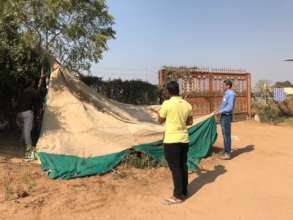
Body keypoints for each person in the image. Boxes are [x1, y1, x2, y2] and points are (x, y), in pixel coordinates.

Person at [157, 81, 193, 205]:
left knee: (175, 168)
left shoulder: (166, 104)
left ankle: (177, 196)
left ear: (168, 91)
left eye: (166, 90)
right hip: (184, 139)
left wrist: (159, 113)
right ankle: (184, 191)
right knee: (183, 165)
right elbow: (190, 122)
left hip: (171, 140)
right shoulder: (187, 105)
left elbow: (160, 120)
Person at [17, 78, 40, 161]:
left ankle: (21, 141)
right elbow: (37, 104)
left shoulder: (23, 91)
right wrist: (37, 114)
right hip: (27, 112)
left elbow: (18, 102)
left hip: (20, 112)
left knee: (24, 128)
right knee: (27, 130)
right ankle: (29, 149)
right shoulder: (34, 91)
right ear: (32, 83)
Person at [218, 79, 236, 160]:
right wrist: (219, 111)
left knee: (226, 135)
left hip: (226, 116)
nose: (222, 86)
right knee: (224, 135)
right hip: (223, 116)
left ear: (228, 86)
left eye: (224, 85)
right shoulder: (226, 94)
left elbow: (229, 107)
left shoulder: (231, 94)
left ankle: (227, 154)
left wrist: (220, 111)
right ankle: (226, 150)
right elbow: (224, 105)